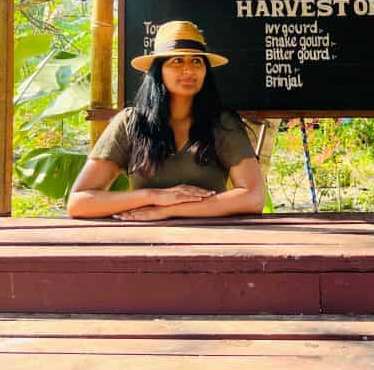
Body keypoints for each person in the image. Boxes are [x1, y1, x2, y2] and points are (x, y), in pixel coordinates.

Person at [67, 20, 265, 220]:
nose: (189, 69)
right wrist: (155, 196)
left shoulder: (222, 123)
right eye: (177, 61)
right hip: (143, 241)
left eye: (196, 61)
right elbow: (79, 203)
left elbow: (254, 197)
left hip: (210, 240)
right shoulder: (130, 123)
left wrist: (166, 211)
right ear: (158, 70)